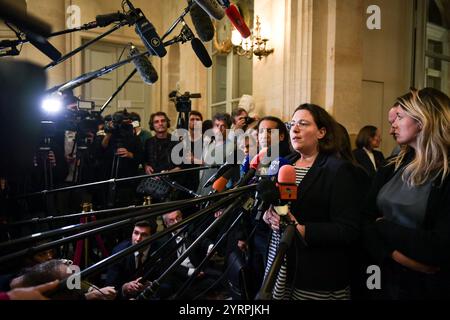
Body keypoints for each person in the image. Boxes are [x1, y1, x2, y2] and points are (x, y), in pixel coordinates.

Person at [262, 103, 363, 300]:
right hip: (280, 262)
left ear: (321, 132)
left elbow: (348, 229)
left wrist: (301, 229)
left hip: (316, 271)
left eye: (303, 124)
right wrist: (269, 215)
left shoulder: (338, 170)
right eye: (292, 124)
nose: (295, 129)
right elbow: (277, 205)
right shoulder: (284, 163)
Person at [362, 87, 450, 299]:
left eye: (400, 116)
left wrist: (382, 226)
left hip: (425, 288)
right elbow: (364, 221)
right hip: (378, 273)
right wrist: (396, 255)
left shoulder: (445, 173)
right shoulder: (391, 165)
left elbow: (439, 247)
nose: (393, 125)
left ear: (423, 121)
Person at [105, 220, 156, 299]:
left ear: (152, 237)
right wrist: (124, 288)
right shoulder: (119, 252)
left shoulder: (161, 248)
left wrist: (151, 285)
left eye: (144, 235)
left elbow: (168, 283)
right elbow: (110, 287)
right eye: (136, 233)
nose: (138, 239)